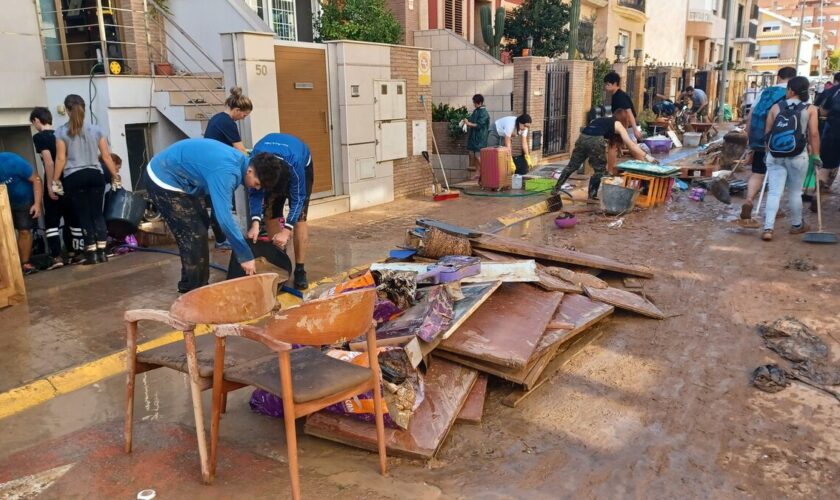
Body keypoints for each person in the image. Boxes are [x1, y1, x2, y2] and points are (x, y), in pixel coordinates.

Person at [144, 138, 281, 293]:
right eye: (256, 184)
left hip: (184, 179)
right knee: (194, 233)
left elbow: (221, 209)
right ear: (250, 171)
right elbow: (224, 217)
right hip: (163, 179)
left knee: (200, 223)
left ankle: (189, 282)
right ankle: (195, 292)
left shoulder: (242, 161)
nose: (256, 188)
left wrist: (254, 224)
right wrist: (244, 255)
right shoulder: (227, 172)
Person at [53, 94, 121, 265]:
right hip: (95, 174)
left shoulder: (61, 132)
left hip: (74, 177)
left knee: (84, 215)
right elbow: (106, 156)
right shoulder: (97, 130)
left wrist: (55, 180)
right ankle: (103, 252)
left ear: (67, 111)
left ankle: (91, 254)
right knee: (97, 214)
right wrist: (115, 175)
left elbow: (61, 159)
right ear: (84, 108)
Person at [248, 133, 313, 290]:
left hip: (301, 167)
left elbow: (298, 199)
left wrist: (286, 231)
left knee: (300, 218)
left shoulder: (294, 162)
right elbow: (255, 192)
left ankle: (299, 269)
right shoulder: (254, 161)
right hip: (271, 166)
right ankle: (279, 262)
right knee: (270, 212)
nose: (258, 187)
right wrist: (256, 222)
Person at [760, 76, 820, 241]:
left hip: (775, 155)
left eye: (787, 89)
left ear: (792, 90)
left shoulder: (775, 107)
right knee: (795, 192)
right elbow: (813, 134)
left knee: (774, 192)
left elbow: (768, 133)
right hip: (797, 156)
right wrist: (816, 155)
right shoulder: (810, 109)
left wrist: (767, 154)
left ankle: (768, 228)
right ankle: (796, 225)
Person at [739, 66, 796, 226]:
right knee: (779, 176)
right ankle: (775, 210)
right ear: (794, 79)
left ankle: (749, 200)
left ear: (779, 77)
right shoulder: (796, 93)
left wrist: (750, 140)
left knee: (758, 172)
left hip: (760, 140)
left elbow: (751, 116)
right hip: (783, 143)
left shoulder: (766, 92)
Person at [552, 116, 657, 200]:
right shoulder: (618, 125)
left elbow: (610, 140)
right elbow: (632, 145)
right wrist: (648, 157)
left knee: (572, 166)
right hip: (595, 140)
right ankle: (592, 195)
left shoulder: (602, 120)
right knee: (600, 170)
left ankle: (556, 189)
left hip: (582, 137)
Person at [31, 106, 83, 268]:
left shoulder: (40, 137)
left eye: (34, 123)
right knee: (72, 218)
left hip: (56, 181)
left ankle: (56, 256)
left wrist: (51, 184)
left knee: (52, 219)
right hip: (70, 180)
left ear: (37, 120)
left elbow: (49, 161)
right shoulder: (62, 134)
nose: (35, 126)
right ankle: (77, 253)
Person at [203, 86, 253, 249]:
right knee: (221, 205)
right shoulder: (228, 123)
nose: (243, 118)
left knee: (217, 204)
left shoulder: (216, 118)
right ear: (237, 110)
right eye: (244, 115)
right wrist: (253, 159)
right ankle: (221, 240)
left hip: (210, 167)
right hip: (218, 170)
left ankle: (220, 239)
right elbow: (240, 150)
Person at [0, 153, 43, 275]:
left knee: (24, 230)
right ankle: (9, 268)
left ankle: (25, 264)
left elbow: (36, 179)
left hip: (24, 200)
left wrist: (37, 204)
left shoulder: (12, 161)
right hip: (3, 203)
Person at [817, 72, 840, 197]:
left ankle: (817, 195)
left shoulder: (833, 90)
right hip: (832, 131)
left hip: (832, 131)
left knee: (825, 166)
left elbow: (822, 111)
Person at [604, 72, 643, 142]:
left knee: (631, 149)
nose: (606, 87)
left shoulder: (620, 96)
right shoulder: (615, 95)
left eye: (608, 84)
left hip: (630, 129)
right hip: (625, 127)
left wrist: (635, 130)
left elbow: (629, 113)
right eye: (605, 84)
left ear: (615, 84)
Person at [462, 94, 490, 179]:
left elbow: (479, 125)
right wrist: (466, 121)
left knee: (478, 156)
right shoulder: (476, 111)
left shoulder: (484, 113)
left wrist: (469, 123)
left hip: (480, 137)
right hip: (474, 137)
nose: (474, 104)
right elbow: (471, 120)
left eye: (475, 102)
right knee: (474, 155)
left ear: (480, 102)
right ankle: (478, 172)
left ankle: (486, 173)